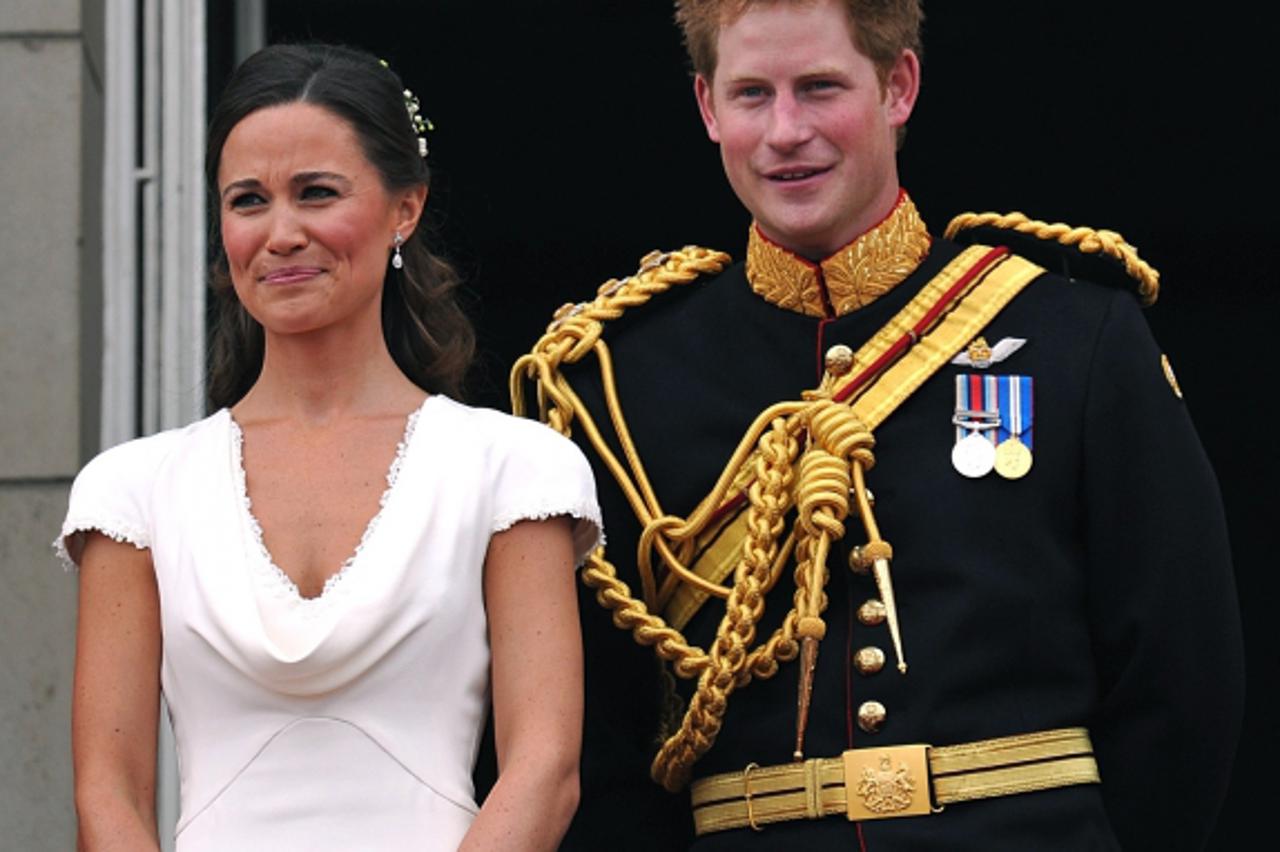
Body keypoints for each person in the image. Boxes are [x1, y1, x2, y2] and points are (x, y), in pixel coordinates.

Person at [511, 1, 1244, 849]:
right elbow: (605, 737)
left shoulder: (1074, 336)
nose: (786, 131)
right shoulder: (618, 384)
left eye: (820, 88)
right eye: (753, 94)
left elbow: (1182, 676)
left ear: (899, 87)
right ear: (708, 108)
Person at [59, 43, 598, 852]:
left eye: (316, 193)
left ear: (405, 208)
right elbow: (108, 792)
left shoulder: (514, 466)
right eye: (248, 201)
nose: (281, 233)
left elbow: (545, 767)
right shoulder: (133, 490)